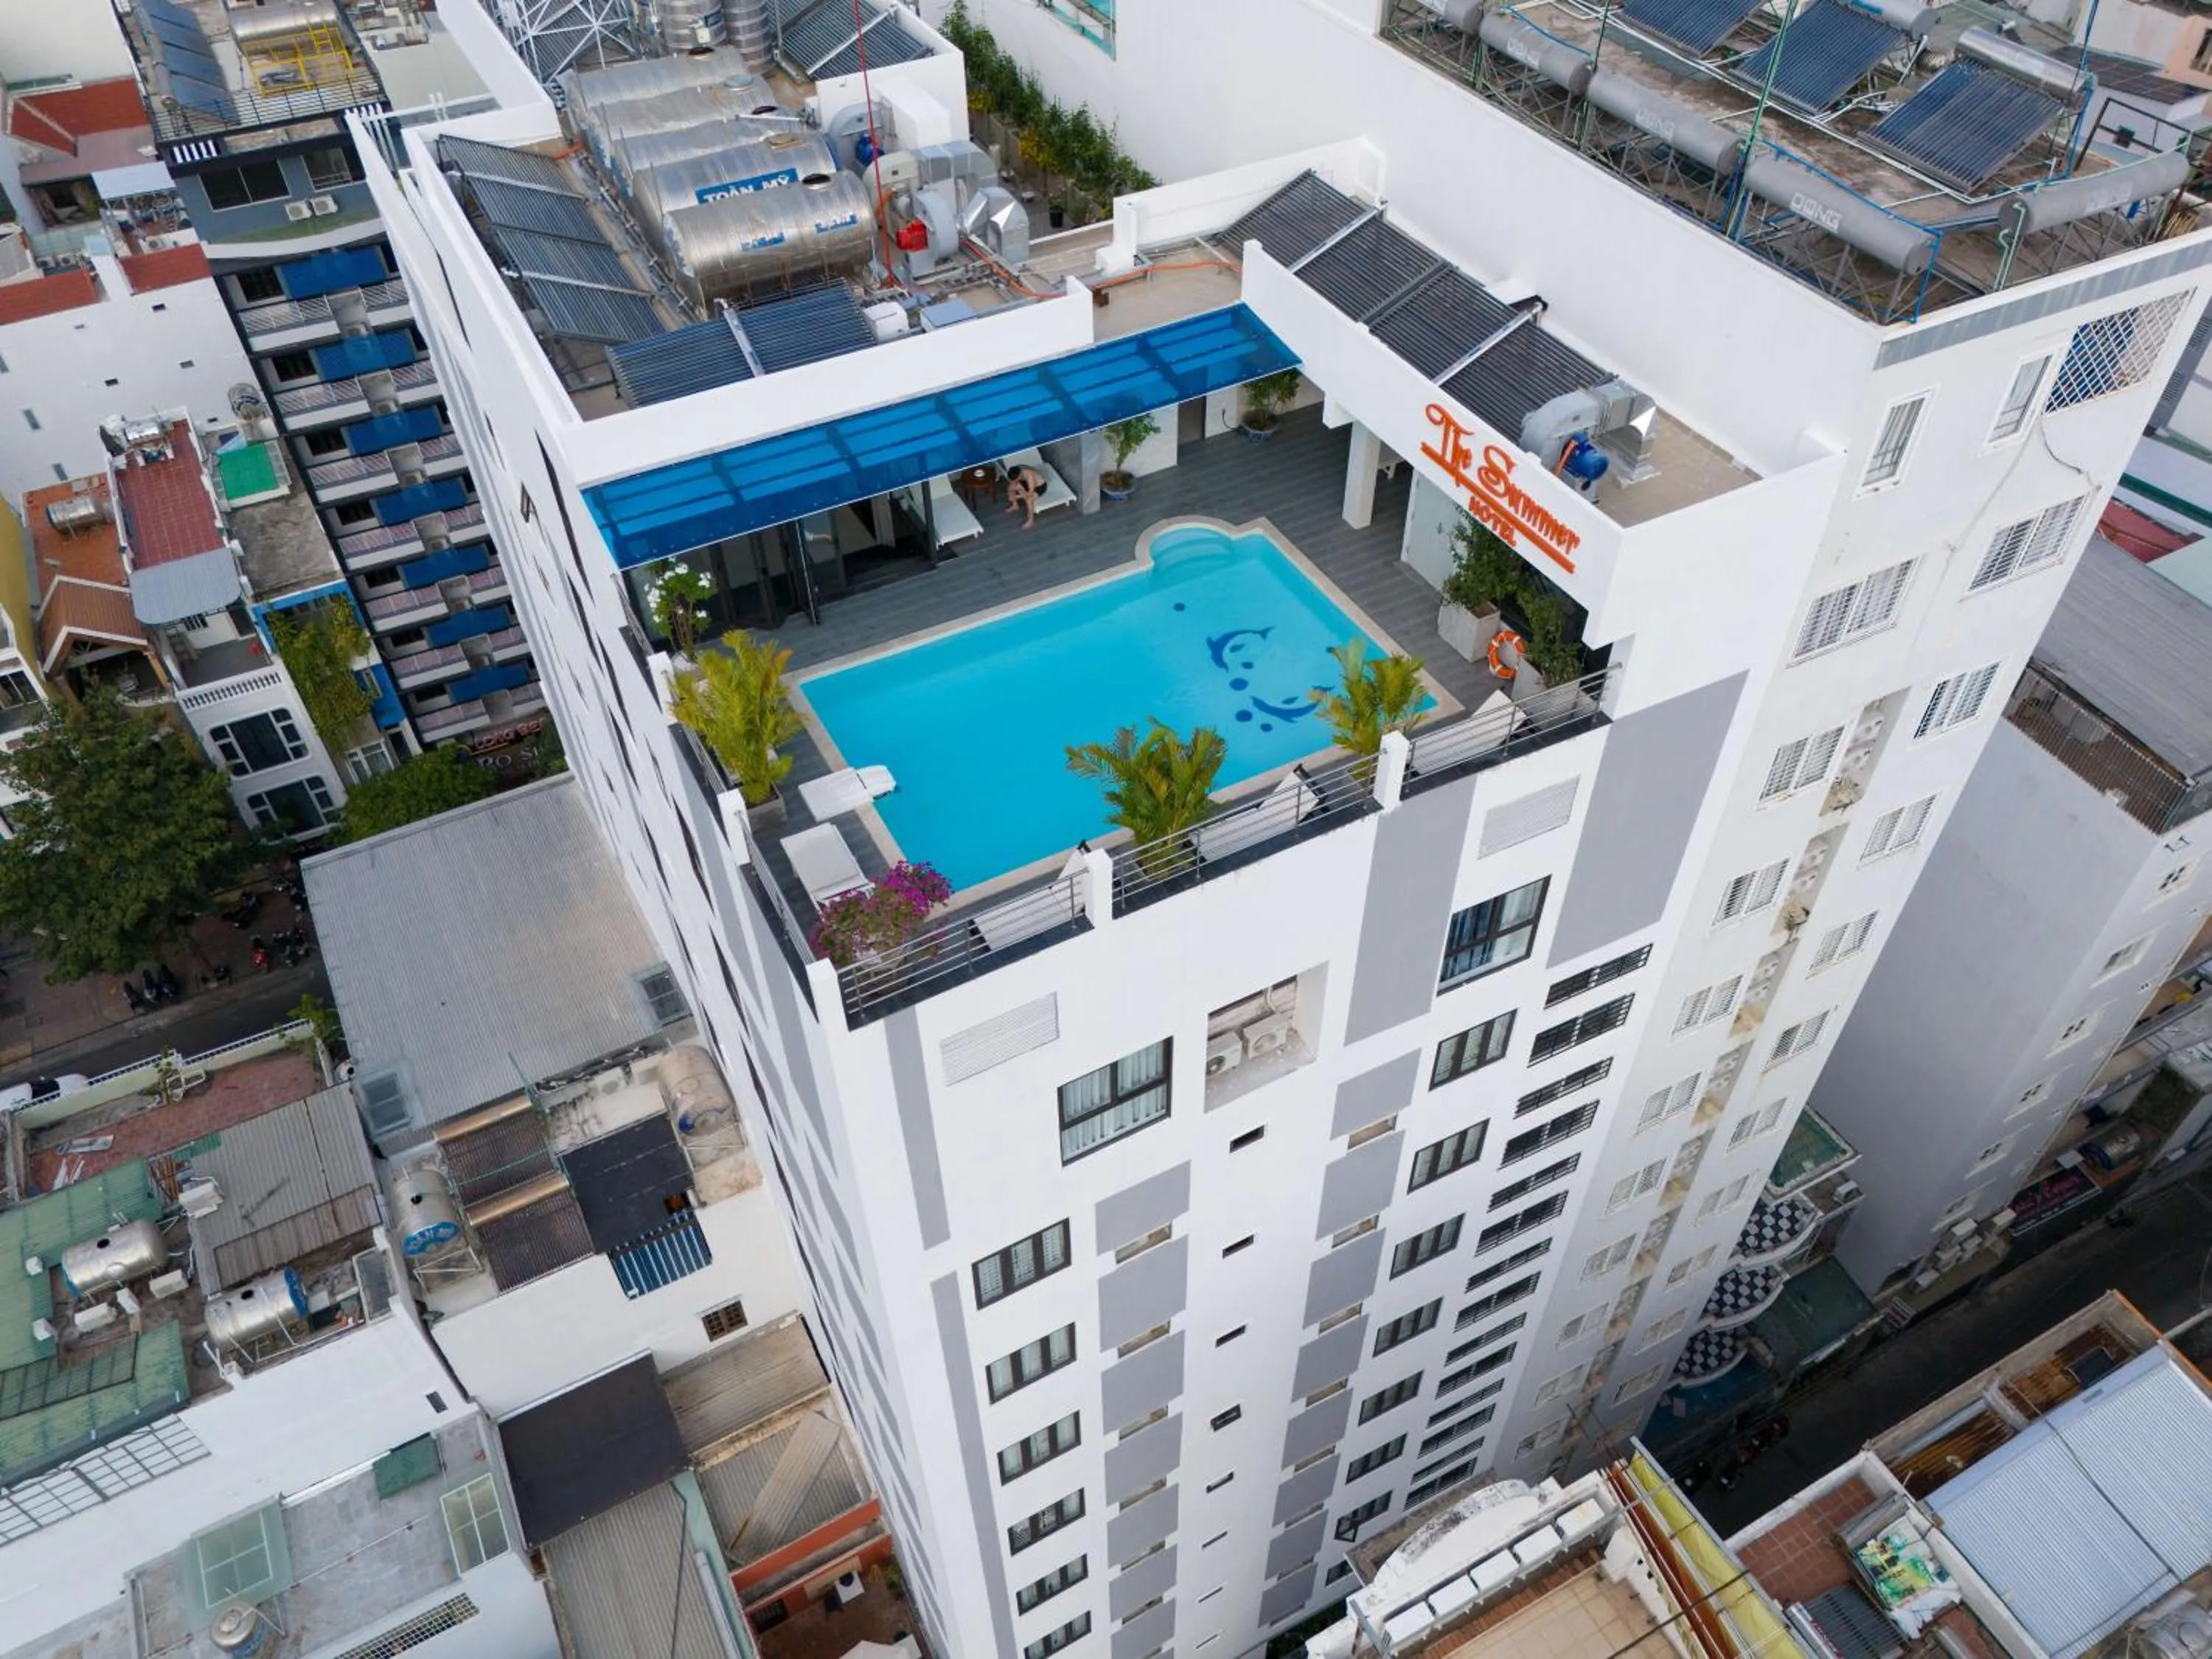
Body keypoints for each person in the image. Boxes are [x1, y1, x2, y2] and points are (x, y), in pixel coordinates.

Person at [1004, 463, 1046, 530]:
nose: (1014, 481)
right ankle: (1015, 506)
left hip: (1038, 487)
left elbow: (1030, 493)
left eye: (1016, 479)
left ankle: (1031, 521)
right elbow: (1013, 482)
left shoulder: (1029, 475)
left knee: (1029, 500)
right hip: (1025, 482)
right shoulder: (1016, 470)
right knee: (1010, 488)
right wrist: (1013, 487)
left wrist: (1017, 496)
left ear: (1019, 475)